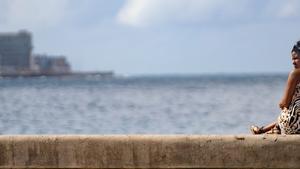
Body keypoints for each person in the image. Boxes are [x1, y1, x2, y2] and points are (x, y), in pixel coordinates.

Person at [251, 40, 300, 134]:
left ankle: (267, 129)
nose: (293, 62)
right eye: (292, 59)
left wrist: (281, 104)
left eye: (296, 58)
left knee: (288, 109)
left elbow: (284, 103)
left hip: (294, 126)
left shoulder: (295, 74)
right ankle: (264, 129)